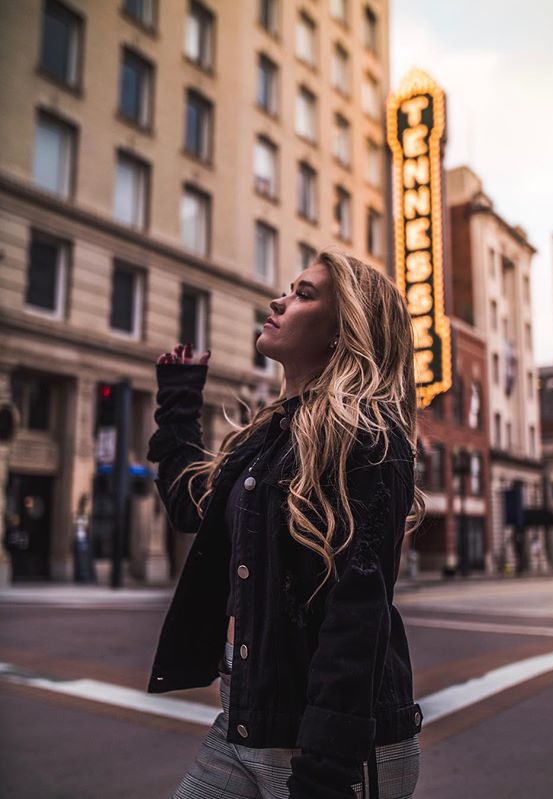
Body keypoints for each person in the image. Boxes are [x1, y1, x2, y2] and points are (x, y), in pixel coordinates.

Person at [147, 247, 428, 799]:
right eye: (288, 289)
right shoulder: (267, 439)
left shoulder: (367, 440)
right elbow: (190, 506)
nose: (278, 300)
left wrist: (325, 772)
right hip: (244, 720)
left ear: (343, 330)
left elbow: (358, 613)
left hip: (328, 749)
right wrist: (179, 405)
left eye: (303, 294)